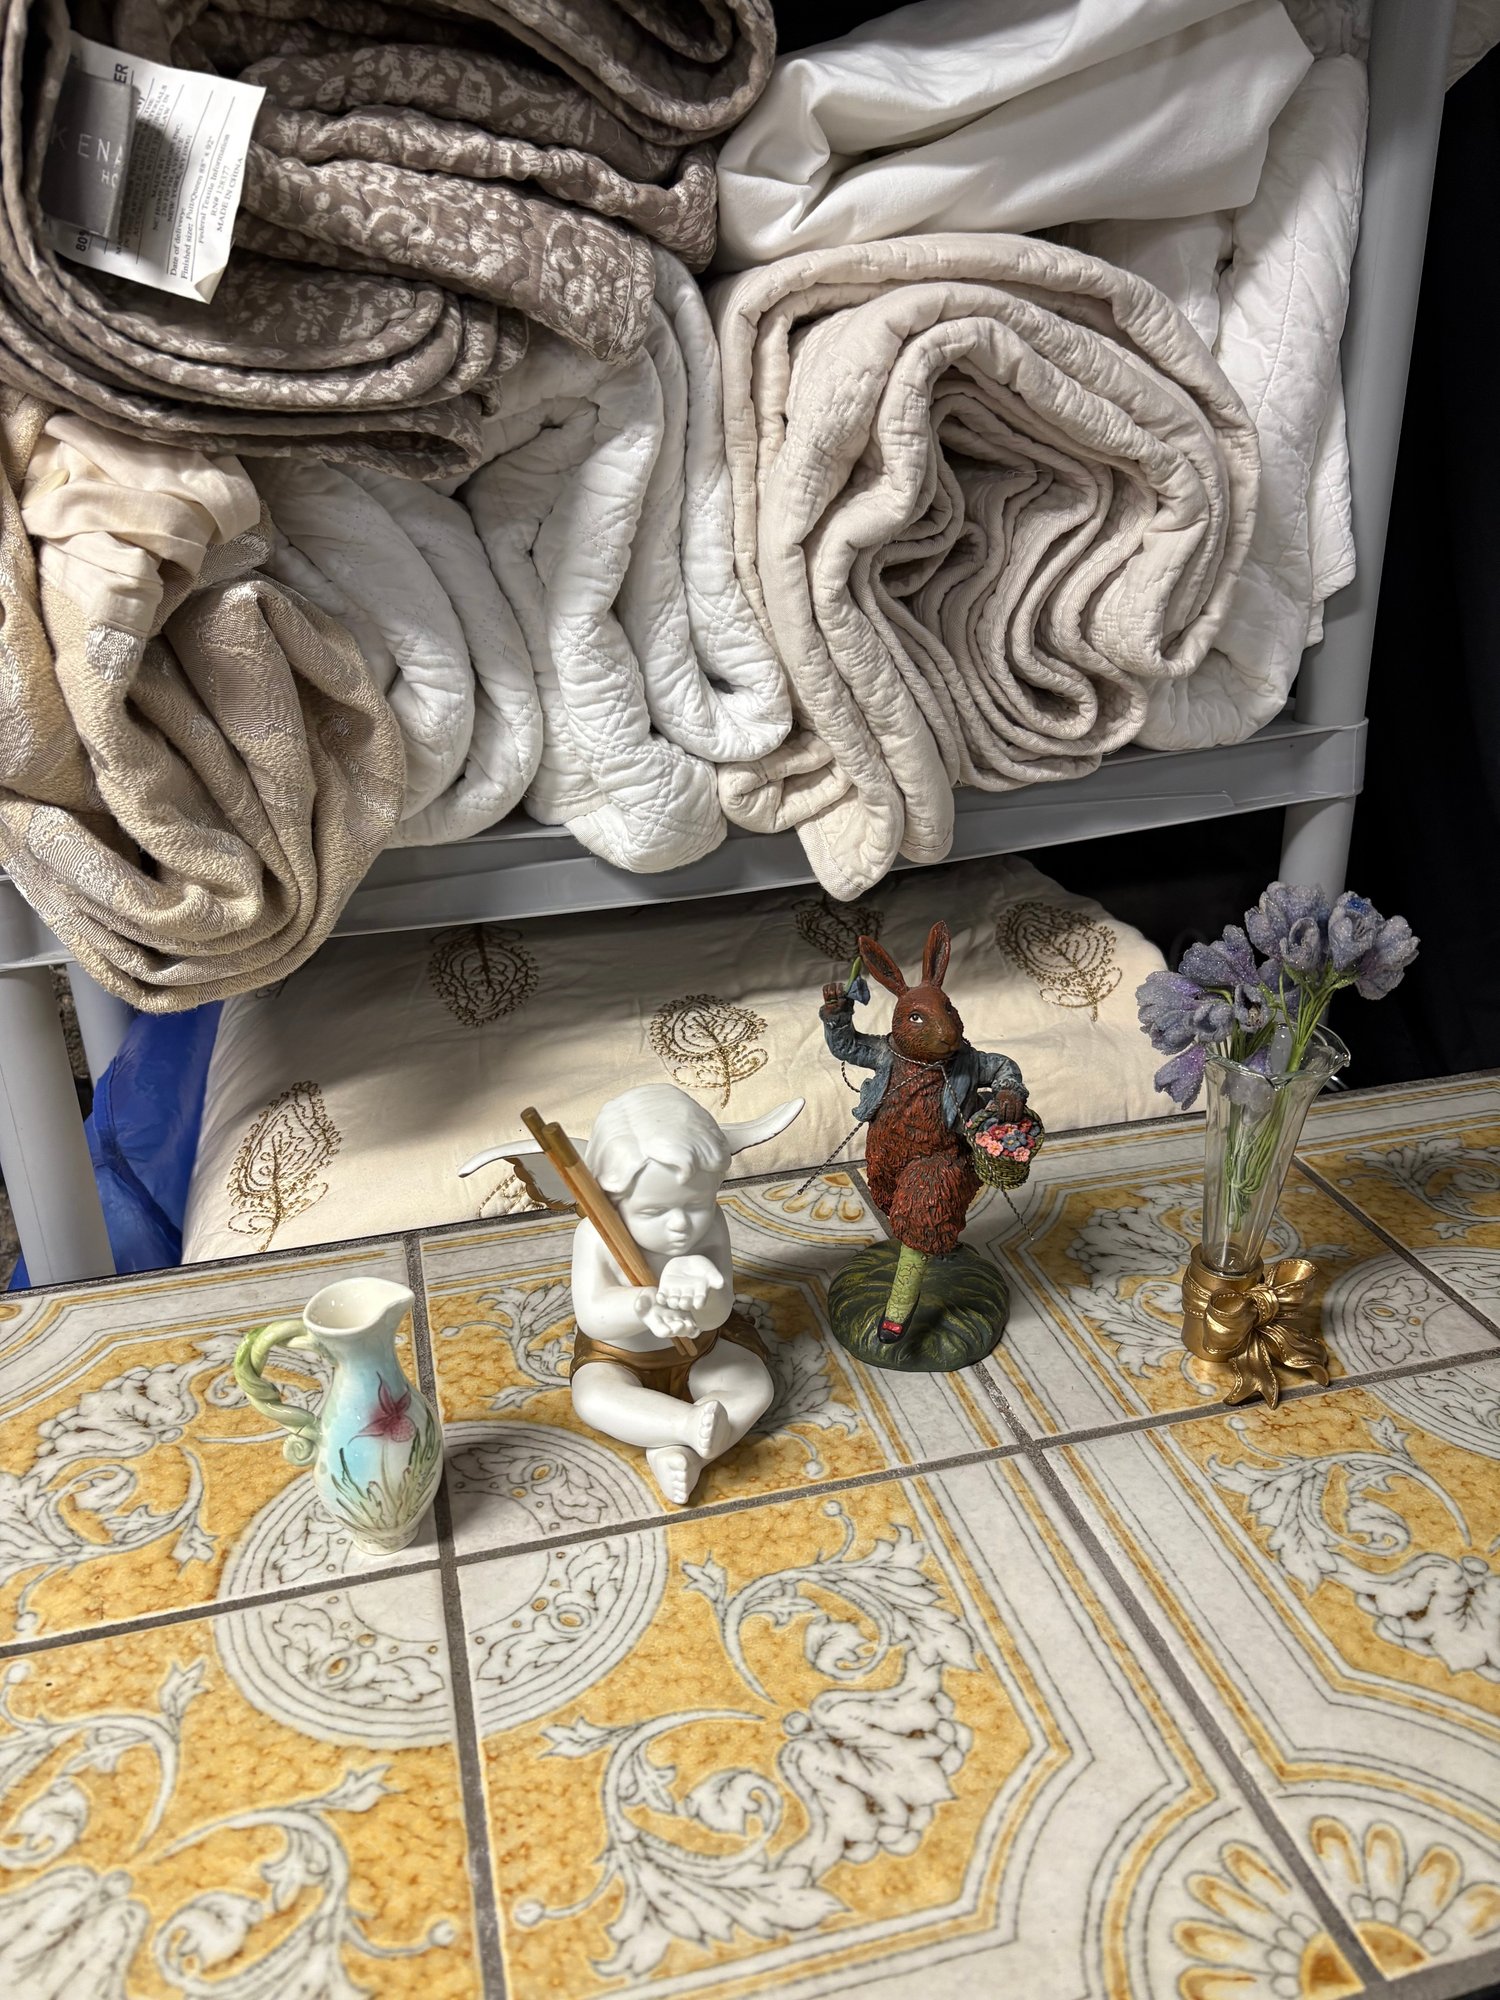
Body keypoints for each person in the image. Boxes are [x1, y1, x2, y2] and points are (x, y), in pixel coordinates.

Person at [569, 1083, 775, 1505]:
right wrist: (643, 1304)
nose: (680, 1224)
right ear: (610, 1200)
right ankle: (684, 1427)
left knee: (755, 1387)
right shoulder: (595, 1235)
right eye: (654, 1211)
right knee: (594, 1398)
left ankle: (680, 1453)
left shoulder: (711, 1224)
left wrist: (702, 1294)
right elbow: (592, 1315)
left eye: (695, 1204)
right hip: (618, 1357)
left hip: (703, 1349)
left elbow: (718, 1312)